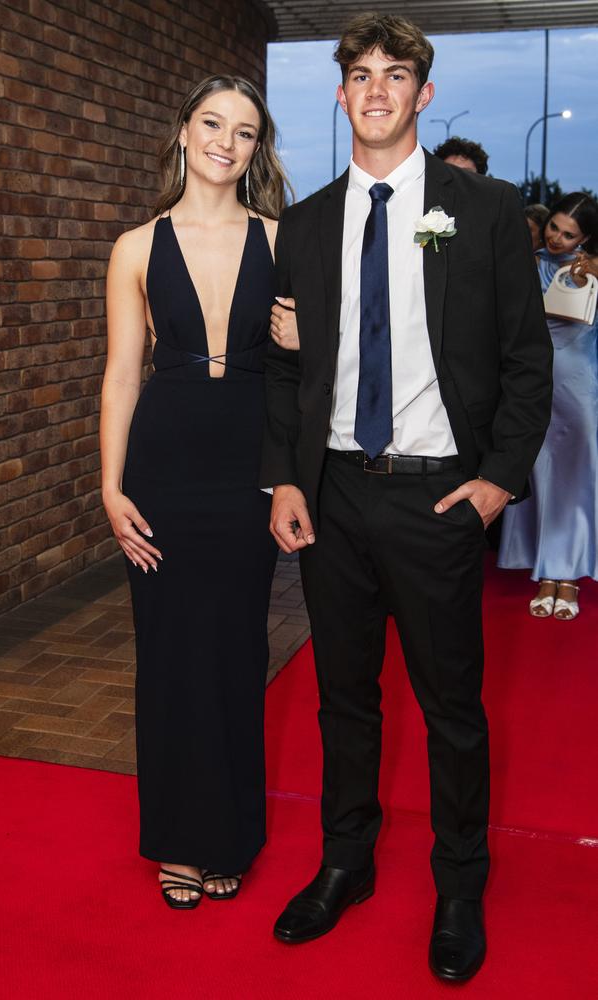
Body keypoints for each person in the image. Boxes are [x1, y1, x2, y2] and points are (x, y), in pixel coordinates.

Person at [261, 12, 552, 982]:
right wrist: (287, 479)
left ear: (422, 95)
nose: (376, 88)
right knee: (342, 699)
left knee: (450, 709)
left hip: (438, 503)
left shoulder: (484, 211)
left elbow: (525, 364)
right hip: (335, 496)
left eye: (395, 74)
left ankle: (458, 882)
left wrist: (495, 481)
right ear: (339, 94)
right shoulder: (302, 225)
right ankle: (344, 859)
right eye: (359, 73)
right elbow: (279, 368)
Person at [100, 76, 286, 909]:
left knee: (238, 650)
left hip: (247, 462)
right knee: (170, 653)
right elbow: (119, 376)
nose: (225, 141)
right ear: (182, 131)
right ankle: (180, 838)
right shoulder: (136, 247)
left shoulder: (283, 241)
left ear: (256, 149)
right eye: (212, 123)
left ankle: (231, 834)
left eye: (244, 131)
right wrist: (109, 487)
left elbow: (313, 372)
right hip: (164, 464)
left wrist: (305, 339)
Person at [498, 193, 598, 619]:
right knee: (540, 475)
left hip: (581, 386)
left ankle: (568, 575)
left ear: (587, 237)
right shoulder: (531, 262)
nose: (557, 238)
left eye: (569, 233)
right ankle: (545, 571)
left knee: (576, 477)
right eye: (554, 227)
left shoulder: (593, 270)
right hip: (536, 383)